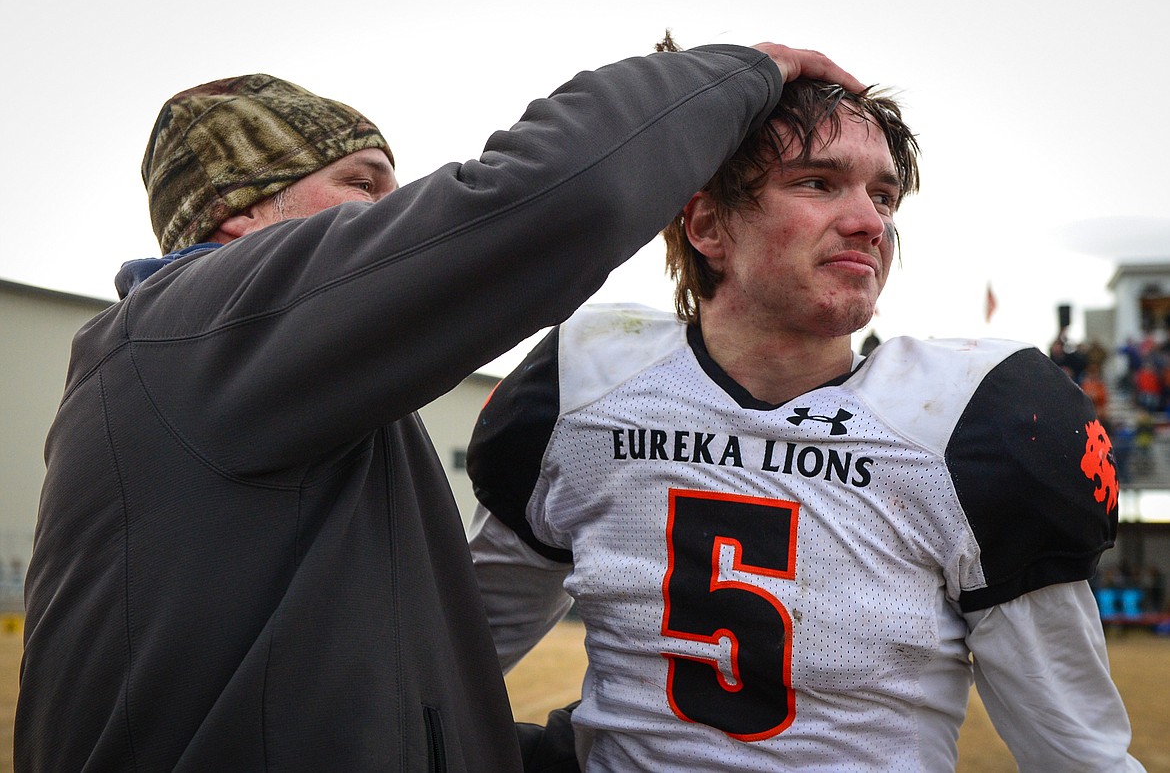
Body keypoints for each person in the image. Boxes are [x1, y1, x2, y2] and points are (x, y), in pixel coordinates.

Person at [15, 45, 866, 772]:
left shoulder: (260, 384)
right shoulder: (199, 328)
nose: (398, 210)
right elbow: (547, 202)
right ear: (240, 218)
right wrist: (743, 71)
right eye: (364, 183)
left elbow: (341, 704)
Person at [466, 74, 1146, 770]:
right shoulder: (586, 388)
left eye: (883, 196)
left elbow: (1079, 755)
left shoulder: (968, 423)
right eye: (819, 183)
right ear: (706, 225)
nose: (870, 222)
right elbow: (448, 659)